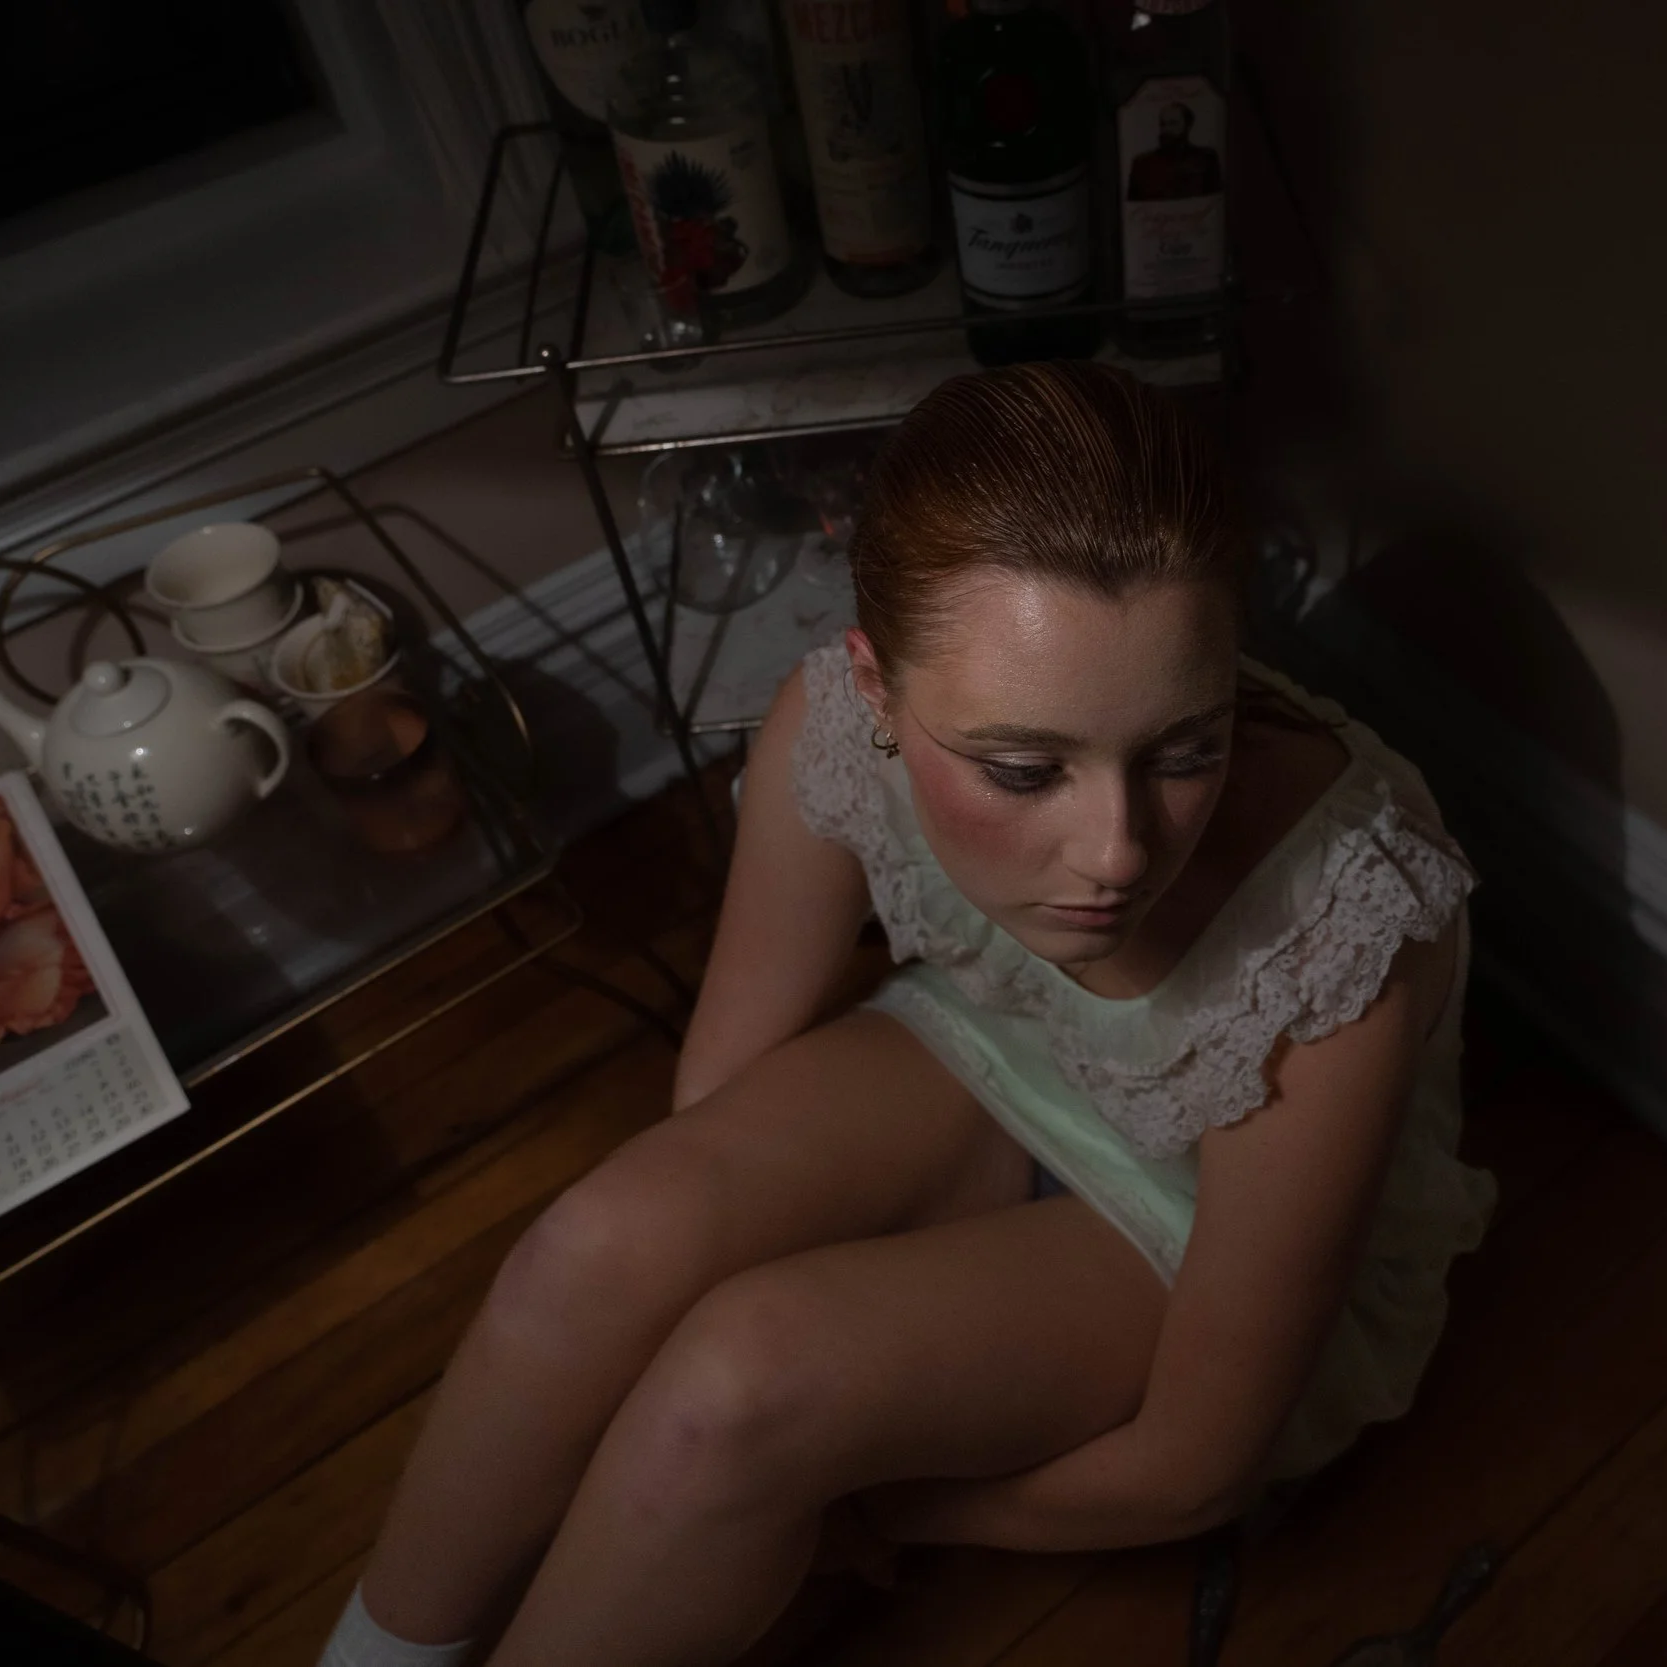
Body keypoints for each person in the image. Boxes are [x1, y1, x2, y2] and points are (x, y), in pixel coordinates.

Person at [318, 363, 1497, 1667]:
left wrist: (878, 1506)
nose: (1115, 850)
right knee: (587, 1250)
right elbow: (717, 1102)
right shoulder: (833, 730)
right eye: (1022, 769)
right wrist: (693, 1271)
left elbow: (1194, 1462)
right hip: (984, 1054)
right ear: (875, 695)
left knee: (730, 1400)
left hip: (1191, 1221)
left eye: (1184, 748)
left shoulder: (1335, 928)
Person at [1127, 100, 1224, 200]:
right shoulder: (1142, 164)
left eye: (1173, 123)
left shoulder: (1206, 159)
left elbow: (1214, 198)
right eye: (1163, 124)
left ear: (1188, 125)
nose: (1166, 129)